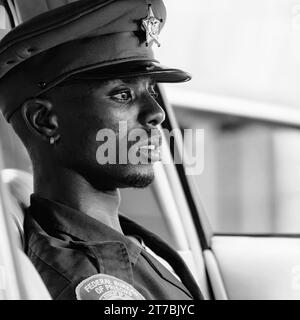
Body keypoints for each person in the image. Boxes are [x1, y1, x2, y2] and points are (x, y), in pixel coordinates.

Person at [0, 0, 203, 300]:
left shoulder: (117, 240)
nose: (156, 113)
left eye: (150, 91)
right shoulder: (93, 281)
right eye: (122, 94)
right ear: (44, 120)